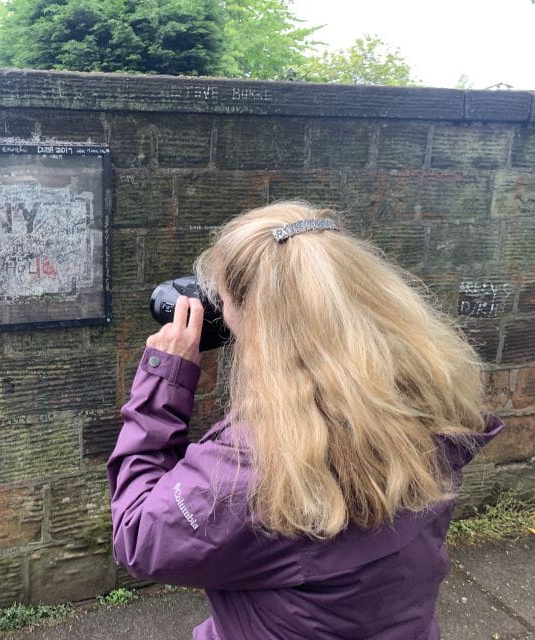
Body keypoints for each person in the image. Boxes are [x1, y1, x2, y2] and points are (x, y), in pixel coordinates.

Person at [106, 201, 506, 640]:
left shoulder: (252, 466)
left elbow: (140, 534)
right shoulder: (428, 401)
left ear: (254, 319)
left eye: (222, 300)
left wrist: (164, 381)